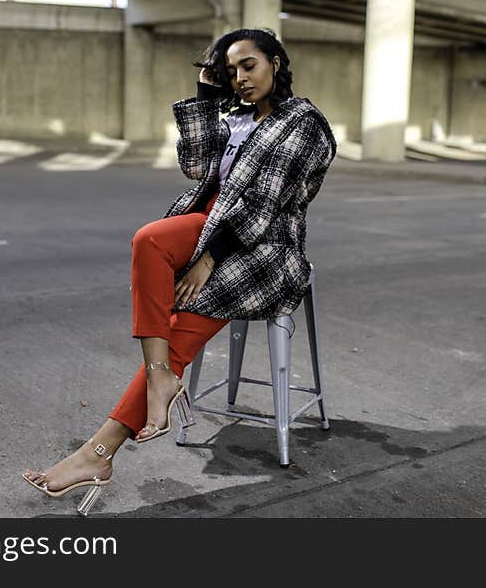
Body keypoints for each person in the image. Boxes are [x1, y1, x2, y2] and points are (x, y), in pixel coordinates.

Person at [23, 27, 337, 514]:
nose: (240, 78)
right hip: (209, 224)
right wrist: (206, 95)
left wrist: (208, 260)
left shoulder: (304, 122)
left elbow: (266, 204)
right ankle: (160, 377)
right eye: (231, 71)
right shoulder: (239, 116)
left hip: (263, 248)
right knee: (149, 239)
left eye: (248, 65)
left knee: (187, 317)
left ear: (276, 62)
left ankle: (97, 453)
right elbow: (195, 168)